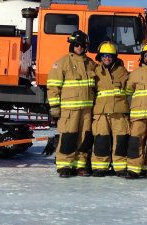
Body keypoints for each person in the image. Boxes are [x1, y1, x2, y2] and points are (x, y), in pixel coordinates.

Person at [47, 30, 97, 178]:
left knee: (84, 138)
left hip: (87, 110)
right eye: (76, 45)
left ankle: (80, 165)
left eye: (82, 45)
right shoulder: (62, 63)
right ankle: (64, 166)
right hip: (69, 110)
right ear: (72, 45)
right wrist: (55, 106)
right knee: (68, 138)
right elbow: (53, 86)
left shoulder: (90, 64)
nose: (79, 47)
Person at [91, 41, 130, 177]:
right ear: (100, 57)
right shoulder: (95, 71)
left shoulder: (122, 71)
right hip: (101, 112)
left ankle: (120, 167)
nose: (107, 58)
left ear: (114, 57)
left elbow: (130, 90)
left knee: (121, 140)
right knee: (101, 140)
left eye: (110, 56)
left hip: (119, 112)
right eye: (104, 55)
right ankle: (100, 167)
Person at [125, 42, 147, 179]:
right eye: (146, 55)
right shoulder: (134, 74)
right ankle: (134, 168)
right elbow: (128, 93)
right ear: (142, 57)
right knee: (135, 142)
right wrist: (130, 108)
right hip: (138, 115)